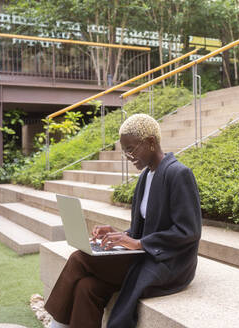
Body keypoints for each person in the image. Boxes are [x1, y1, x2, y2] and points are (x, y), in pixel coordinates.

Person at [45, 113, 202, 328]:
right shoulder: (145, 177)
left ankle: (55, 325)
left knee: (78, 258)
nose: (128, 156)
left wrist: (139, 243)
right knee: (86, 287)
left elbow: (189, 231)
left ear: (151, 142)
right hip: (144, 254)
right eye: (124, 151)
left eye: (131, 148)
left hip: (168, 262)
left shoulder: (178, 174)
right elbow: (147, 226)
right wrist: (123, 234)